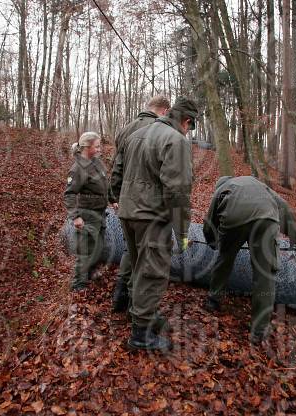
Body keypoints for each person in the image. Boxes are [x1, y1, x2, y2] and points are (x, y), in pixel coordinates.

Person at [113, 96, 197, 350]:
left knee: (138, 265)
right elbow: (178, 192)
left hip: (128, 212)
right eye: (190, 127)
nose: (188, 132)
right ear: (186, 121)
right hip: (151, 216)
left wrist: (117, 199)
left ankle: (138, 313)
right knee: (153, 272)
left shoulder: (138, 133)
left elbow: (117, 169)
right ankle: (141, 334)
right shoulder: (176, 140)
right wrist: (182, 232)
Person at [202, 176, 296, 344]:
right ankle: (259, 330)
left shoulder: (222, 189)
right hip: (266, 218)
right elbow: (283, 207)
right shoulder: (256, 183)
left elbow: (210, 222)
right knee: (264, 273)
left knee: (224, 260)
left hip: (234, 218)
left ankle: (213, 301)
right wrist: (295, 238)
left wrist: (212, 242)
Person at [110, 95, 171, 313]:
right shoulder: (160, 131)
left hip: (126, 201)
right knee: (146, 260)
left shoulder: (125, 130)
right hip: (148, 205)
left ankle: (120, 297)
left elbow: (116, 166)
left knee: (132, 250)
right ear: (164, 111)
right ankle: (139, 311)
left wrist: (115, 196)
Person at [63, 132, 109, 291]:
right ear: (87, 147)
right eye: (96, 146)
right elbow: (69, 194)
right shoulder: (77, 169)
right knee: (85, 252)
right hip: (87, 214)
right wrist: (75, 217)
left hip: (100, 214)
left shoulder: (97, 163)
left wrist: (114, 200)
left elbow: (104, 185)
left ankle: (88, 276)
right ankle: (78, 286)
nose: (99, 149)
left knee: (98, 248)